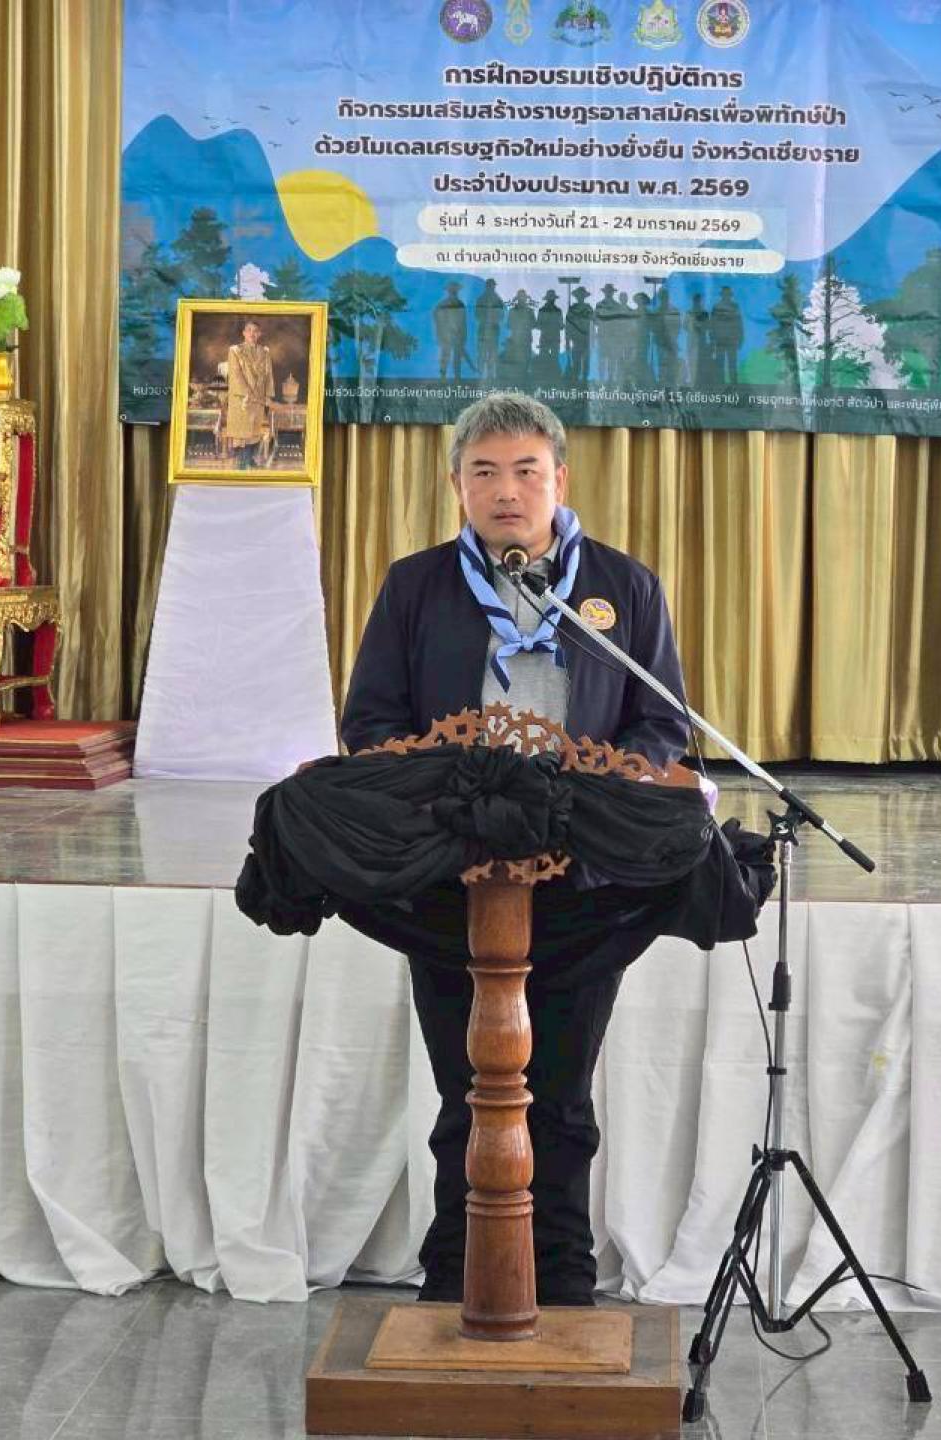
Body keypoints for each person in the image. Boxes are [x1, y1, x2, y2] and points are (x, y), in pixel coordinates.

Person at [339, 392, 691, 1307]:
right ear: (456, 486)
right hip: (450, 880)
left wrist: (601, 786)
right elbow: (370, 721)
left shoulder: (623, 586)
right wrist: (445, 794)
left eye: (526, 471)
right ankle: (454, 1277)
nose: (507, 491)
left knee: (561, 1098)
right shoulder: (416, 587)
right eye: (485, 473)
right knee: (466, 1093)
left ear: (559, 480)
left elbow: (663, 724)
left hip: (582, 882)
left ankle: (562, 1280)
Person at [224, 318, 275, 468]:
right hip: (242, 398)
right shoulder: (235, 350)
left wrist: (268, 395)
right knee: (242, 429)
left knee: (254, 429)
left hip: (259, 396)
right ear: (244, 333)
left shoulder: (265, 352)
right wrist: (248, 393)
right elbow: (236, 374)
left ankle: (250, 458)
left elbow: (269, 374)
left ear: (260, 334)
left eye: (255, 331)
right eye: (249, 330)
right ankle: (242, 460)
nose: (252, 334)